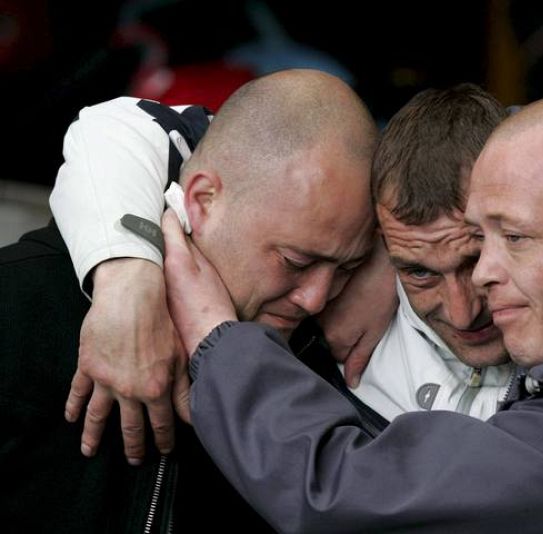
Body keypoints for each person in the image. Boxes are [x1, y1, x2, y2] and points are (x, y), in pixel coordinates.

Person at [51, 84, 543, 532]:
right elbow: (125, 123)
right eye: (418, 269)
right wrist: (125, 279)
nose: (473, 295)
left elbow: (341, 495)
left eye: (501, 242)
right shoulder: (341, 259)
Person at [0, 68, 378, 532]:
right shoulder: (20, 301)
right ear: (203, 198)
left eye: (347, 268)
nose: (317, 299)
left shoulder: (332, 360)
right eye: (295, 261)